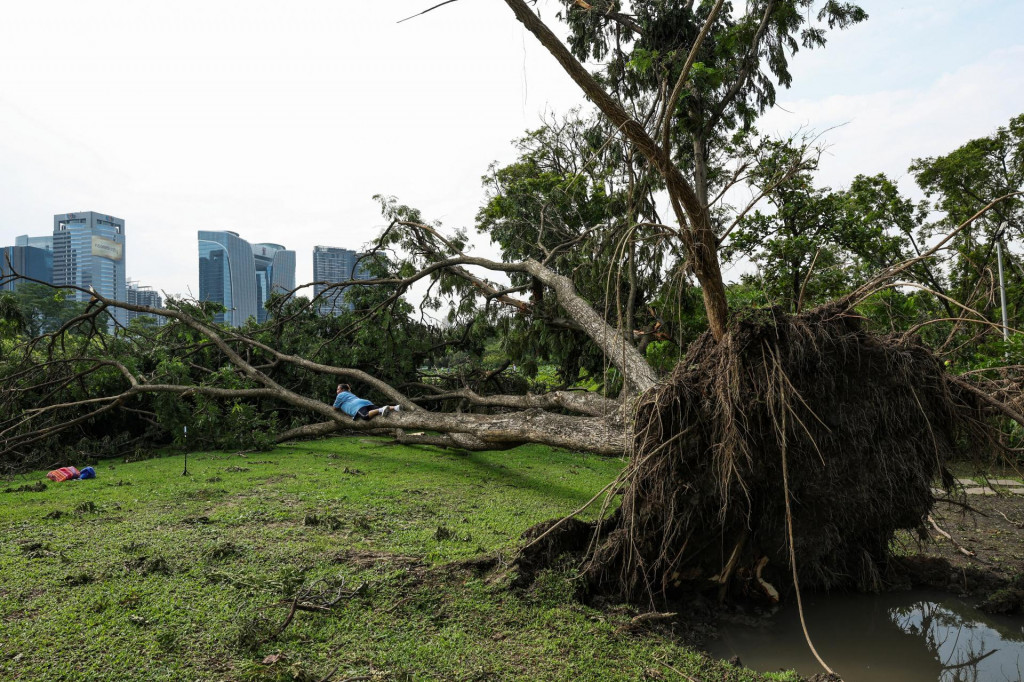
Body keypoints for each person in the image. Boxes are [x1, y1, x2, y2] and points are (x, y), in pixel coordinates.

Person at [332, 383, 401, 420]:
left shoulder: (340, 395)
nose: (337, 391)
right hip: (365, 402)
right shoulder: (350, 393)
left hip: (357, 406)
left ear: (343, 390)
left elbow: (334, 408)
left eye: (338, 389)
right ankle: (395, 407)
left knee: (365, 416)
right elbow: (349, 389)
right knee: (377, 410)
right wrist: (348, 387)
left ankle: (382, 409)